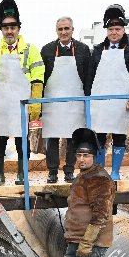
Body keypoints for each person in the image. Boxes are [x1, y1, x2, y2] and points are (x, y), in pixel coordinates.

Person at [0, 0, 44, 185]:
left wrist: (35, 102)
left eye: (13, 27)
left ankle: (21, 173)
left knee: (21, 141)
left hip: (20, 103)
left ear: (19, 28)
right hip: (1, 104)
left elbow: (38, 76)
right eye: (5, 27)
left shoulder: (30, 50)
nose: (9, 31)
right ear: (1, 29)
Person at [62, 127, 115, 257]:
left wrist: (87, 242)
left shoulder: (100, 178)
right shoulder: (83, 176)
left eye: (86, 156)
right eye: (79, 155)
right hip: (75, 238)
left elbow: (101, 214)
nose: (81, 159)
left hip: (91, 241)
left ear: (94, 157)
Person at [87, 4, 129, 180]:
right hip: (100, 102)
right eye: (111, 29)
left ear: (123, 30)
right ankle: (100, 172)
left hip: (121, 103)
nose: (114, 32)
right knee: (99, 138)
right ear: (106, 31)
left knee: (120, 136)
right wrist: (87, 99)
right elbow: (90, 77)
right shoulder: (97, 50)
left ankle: (115, 172)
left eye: (117, 29)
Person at [40, 16, 92, 183]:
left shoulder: (83, 49)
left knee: (73, 137)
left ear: (72, 30)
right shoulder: (47, 50)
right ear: (57, 31)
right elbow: (41, 77)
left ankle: (69, 170)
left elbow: (88, 77)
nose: (64, 32)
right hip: (52, 102)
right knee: (52, 138)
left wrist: (87, 100)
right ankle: (52, 172)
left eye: (66, 29)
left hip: (75, 101)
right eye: (60, 29)